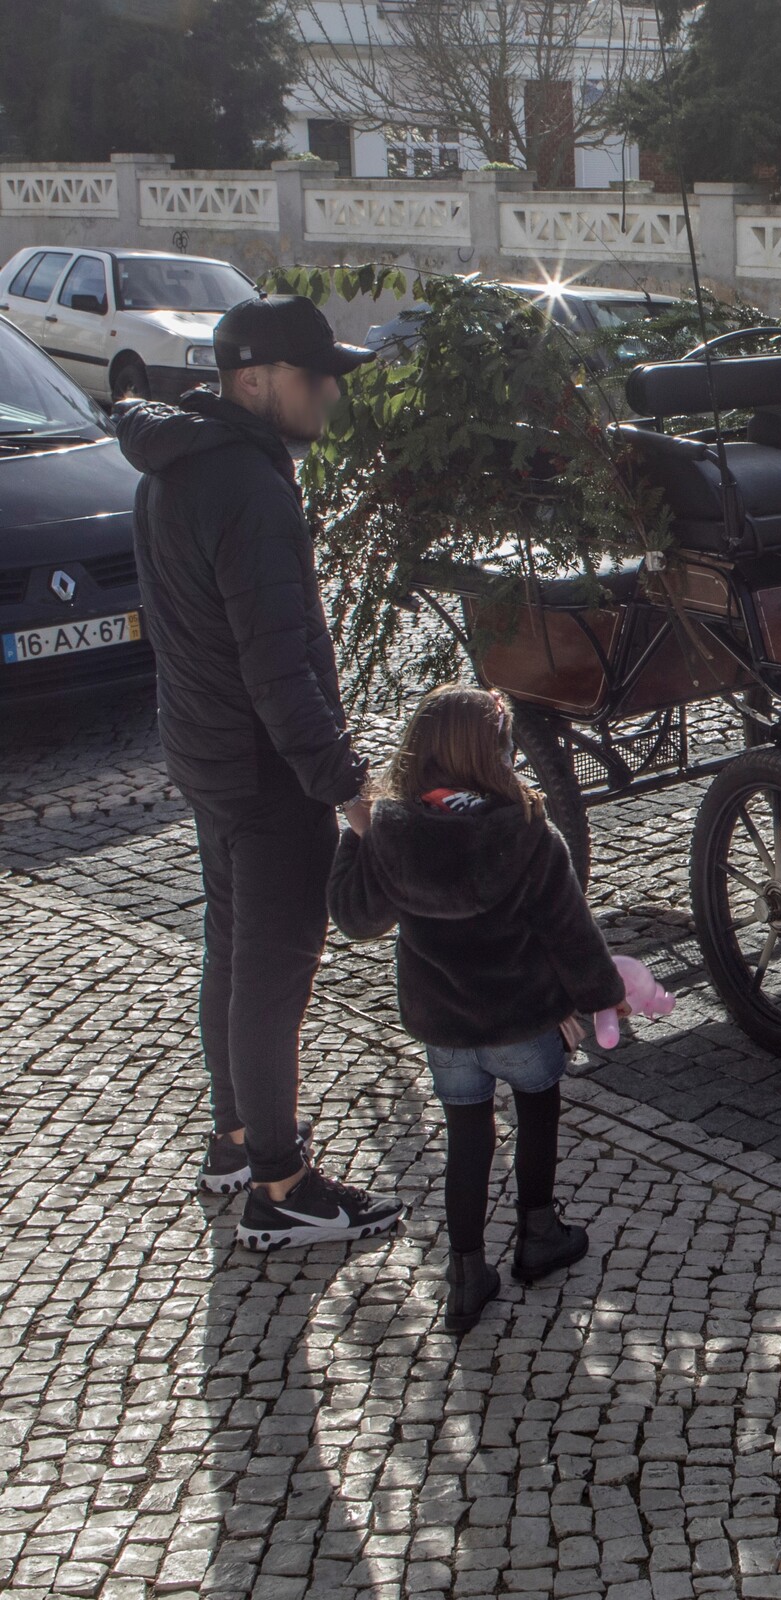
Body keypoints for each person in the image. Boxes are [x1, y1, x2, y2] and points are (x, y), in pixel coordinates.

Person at [115, 294, 405, 1249]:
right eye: (314, 374)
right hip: (264, 769)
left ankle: (236, 1140)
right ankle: (279, 1186)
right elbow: (278, 663)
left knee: (235, 948)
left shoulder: (176, 465)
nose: (329, 390)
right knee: (275, 971)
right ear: (255, 380)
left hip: (205, 753)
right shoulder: (245, 485)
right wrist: (348, 788)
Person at [328, 684, 624, 1333]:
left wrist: (357, 835)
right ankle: (538, 1234)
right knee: (536, 1117)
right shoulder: (526, 831)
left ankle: (465, 1275)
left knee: (468, 1138)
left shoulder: (393, 832)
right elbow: (568, 930)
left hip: (446, 1028)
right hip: (523, 1019)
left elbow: (354, 916)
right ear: (497, 754)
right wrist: (597, 1000)